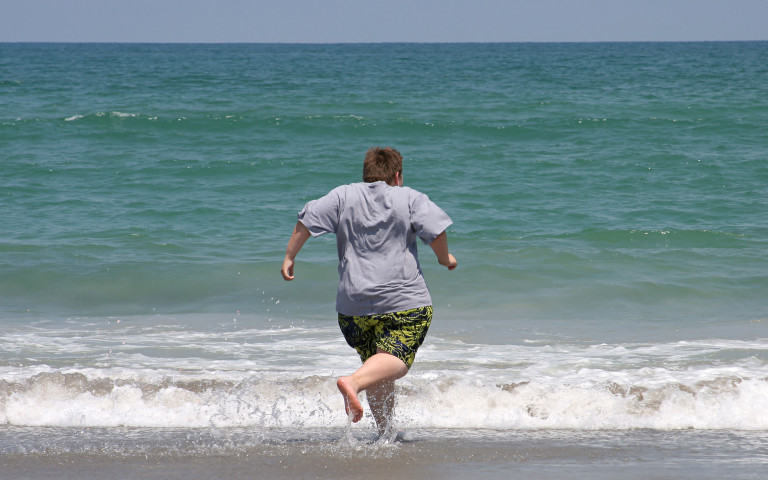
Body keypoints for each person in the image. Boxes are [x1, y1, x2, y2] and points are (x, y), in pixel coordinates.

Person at [280, 146, 457, 438]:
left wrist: (289, 257)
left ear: (366, 174)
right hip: (404, 303)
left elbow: (307, 220)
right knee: (394, 360)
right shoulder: (410, 197)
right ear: (397, 175)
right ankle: (353, 383)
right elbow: (436, 229)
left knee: (378, 366)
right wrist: (445, 258)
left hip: (353, 308)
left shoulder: (342, 195)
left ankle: (386, 433)